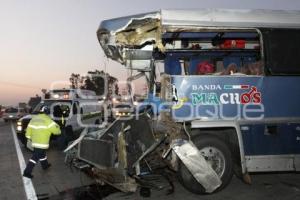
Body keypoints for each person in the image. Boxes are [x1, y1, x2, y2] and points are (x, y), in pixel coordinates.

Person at [23, 105, 61, 179]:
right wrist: (59, 129)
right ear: (47, 112)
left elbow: (28, 130)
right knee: (35, 158)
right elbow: (56, 131)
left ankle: (45, 165)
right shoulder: (48, 120)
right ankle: (27, 172)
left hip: (34, 142)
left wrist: (28, 138)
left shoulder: (34, 119)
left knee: (42, 154)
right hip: (42, 143)